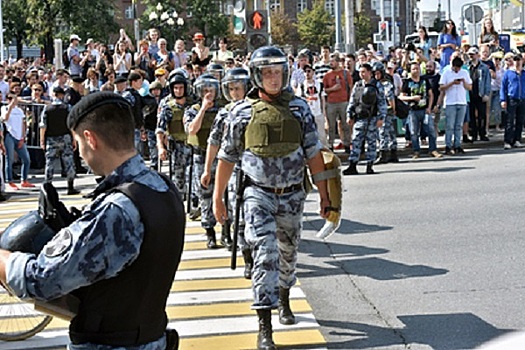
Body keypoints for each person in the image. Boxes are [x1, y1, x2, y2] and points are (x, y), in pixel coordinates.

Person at [0, 91, 185, 349]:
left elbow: (42, 280)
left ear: (90, 138)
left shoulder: (117, 209)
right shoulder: (162, 187)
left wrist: (3, 258)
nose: (80, 152)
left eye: (78, 143)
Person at [212, 46, 329, 350]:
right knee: (264, 253)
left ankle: (285, 297)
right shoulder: (241, 112)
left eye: (278, 72)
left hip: (292, 195)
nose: (274, 79)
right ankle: (264, 325)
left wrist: (326, 196)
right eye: (267, 73)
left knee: (287, 253)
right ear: (256, 76)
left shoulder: (299, 108)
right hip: (257, 194)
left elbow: (314, 154)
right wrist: (218, 199)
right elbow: (227, 157)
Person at [184, 74, 221, 245]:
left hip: (221, 156)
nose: (208, 94)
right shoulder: (192, 110)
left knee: (225, 194)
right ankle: (209, 230)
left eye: (211, 90)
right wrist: (203, 109)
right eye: (205, 91)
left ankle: (227, 229)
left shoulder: (223, 109)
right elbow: (191, 130)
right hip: (201, 155)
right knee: (205, 194)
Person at [343, 63, 387, 175]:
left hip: (372, 118)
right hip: (359, 118)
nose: (361, 74)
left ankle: (370, 165)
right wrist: (349, 114)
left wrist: (381, 118)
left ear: (369, 73)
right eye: (360, 72)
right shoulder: (358, 86)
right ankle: (353, 165)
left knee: (371, 143)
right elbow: (352, 101)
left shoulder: (377, 86)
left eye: (364, 72)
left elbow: (382, 103)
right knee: (356, 141)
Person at [156, 72, 191, 200]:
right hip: (176, 148)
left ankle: (194, 203)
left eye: (181, 87)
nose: (178, 90)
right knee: (178, 179)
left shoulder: (193, 105)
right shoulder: (167, 107)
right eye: (176, 88)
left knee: (193, 177)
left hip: (192, 147)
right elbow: (160, 129)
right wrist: (161, 147)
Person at [39, 86, 79, 195]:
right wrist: (74, 138)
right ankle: (70, 186)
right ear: (61, 95)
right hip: (65, 137)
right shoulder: (67, 107)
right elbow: (71, 125)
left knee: (50, 162)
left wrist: (42, 140)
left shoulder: (47, 109)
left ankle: (47, 186)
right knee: (69, 161)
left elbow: (43, 126)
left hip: (51, 138)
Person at [399, 61, 441, 159]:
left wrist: (429, 107)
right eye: (414, 69)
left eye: (417, 68)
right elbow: (401, 97)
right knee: (414, 132)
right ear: (410, 70)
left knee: (431, 130)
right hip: (413, 110)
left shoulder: (425, 80)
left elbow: (431, 95)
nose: (416, 70)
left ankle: (433, 149)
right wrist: (412, 98)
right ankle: (416, 151)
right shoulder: (407, 82)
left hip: (425, 109)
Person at [439, 56, 472, 155]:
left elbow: (469, 87)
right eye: (456, 68)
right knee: (450, 125)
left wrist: (463, 82)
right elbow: (441, 87)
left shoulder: (464, 73)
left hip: (462, 101)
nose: (457, 70)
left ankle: (458, 144)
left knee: (459, 125)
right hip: (450, 102)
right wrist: (452, 83)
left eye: (459, 68)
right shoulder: (446, 73)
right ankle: (448, 145)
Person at [1, 93, 35, 189]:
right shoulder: (5, 108)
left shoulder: (19, 110)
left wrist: (23, 137)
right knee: (10, 159)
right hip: (9, 136)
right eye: (11, 99)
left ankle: (24, 180)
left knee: (26, 159)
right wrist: (10, 107)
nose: (13, 101)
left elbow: (23, 124)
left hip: (19, 137)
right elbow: (5, 119)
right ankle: (10, 181)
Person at [323, 53, 353, 152]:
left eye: (333, 61)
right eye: (330, 62)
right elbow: (324, 90)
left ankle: (347, 144)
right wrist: (333, 89)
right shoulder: (327, 75)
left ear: (338, 62)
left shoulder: (345, 73)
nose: (331, 63)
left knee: (345, 124)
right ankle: (330, 144)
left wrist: (350, 100)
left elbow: (350, 86)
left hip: (343, 101)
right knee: (331, 125)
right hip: (331, 102)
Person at [372, 62, 399, 164]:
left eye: (378, 73)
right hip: (380, 111)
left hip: (386, 111)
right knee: (389, 131)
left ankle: (385, 154)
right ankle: (392, 153)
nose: (377, 76)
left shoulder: (386, 84)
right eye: (375, 74)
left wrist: (393, 109)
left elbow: (390, 98)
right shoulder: (375, 84)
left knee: (384, 132)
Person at [500, 54, 525, 149]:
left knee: (520, 120)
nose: (517, 62)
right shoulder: (508, 73)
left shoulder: (524, 73)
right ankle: (507, 140)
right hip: (511, 99)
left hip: (522, 99)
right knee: (509, 121)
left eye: (519, 60)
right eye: (515, 60)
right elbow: (503, 87)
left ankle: (517, 140)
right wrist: (503, 99)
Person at [467, 46, 491, 142]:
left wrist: (486, 93)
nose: (470, 57)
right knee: (472, 115)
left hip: (480, 93)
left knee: (482, 115)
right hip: (470, 94)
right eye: (469, 55)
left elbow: (487, 81)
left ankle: (482, 133)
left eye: (472, 54)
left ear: (477, 55)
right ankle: (474, 134)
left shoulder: (484, 67)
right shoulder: (467, 66)